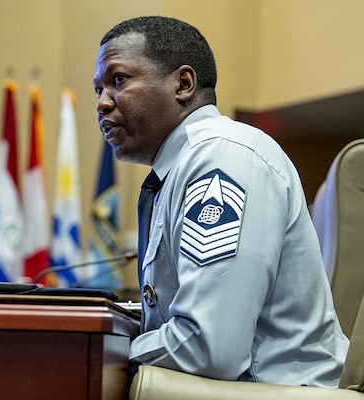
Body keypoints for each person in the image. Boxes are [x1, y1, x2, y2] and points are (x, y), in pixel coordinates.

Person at [93, 16, 348, 387]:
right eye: (98, 88)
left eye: (118, 80)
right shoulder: (185, 164)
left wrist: (95, 349)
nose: (102, 103)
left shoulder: (221, 159)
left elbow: (206, 347)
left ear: (183, 84)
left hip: (277, 392)